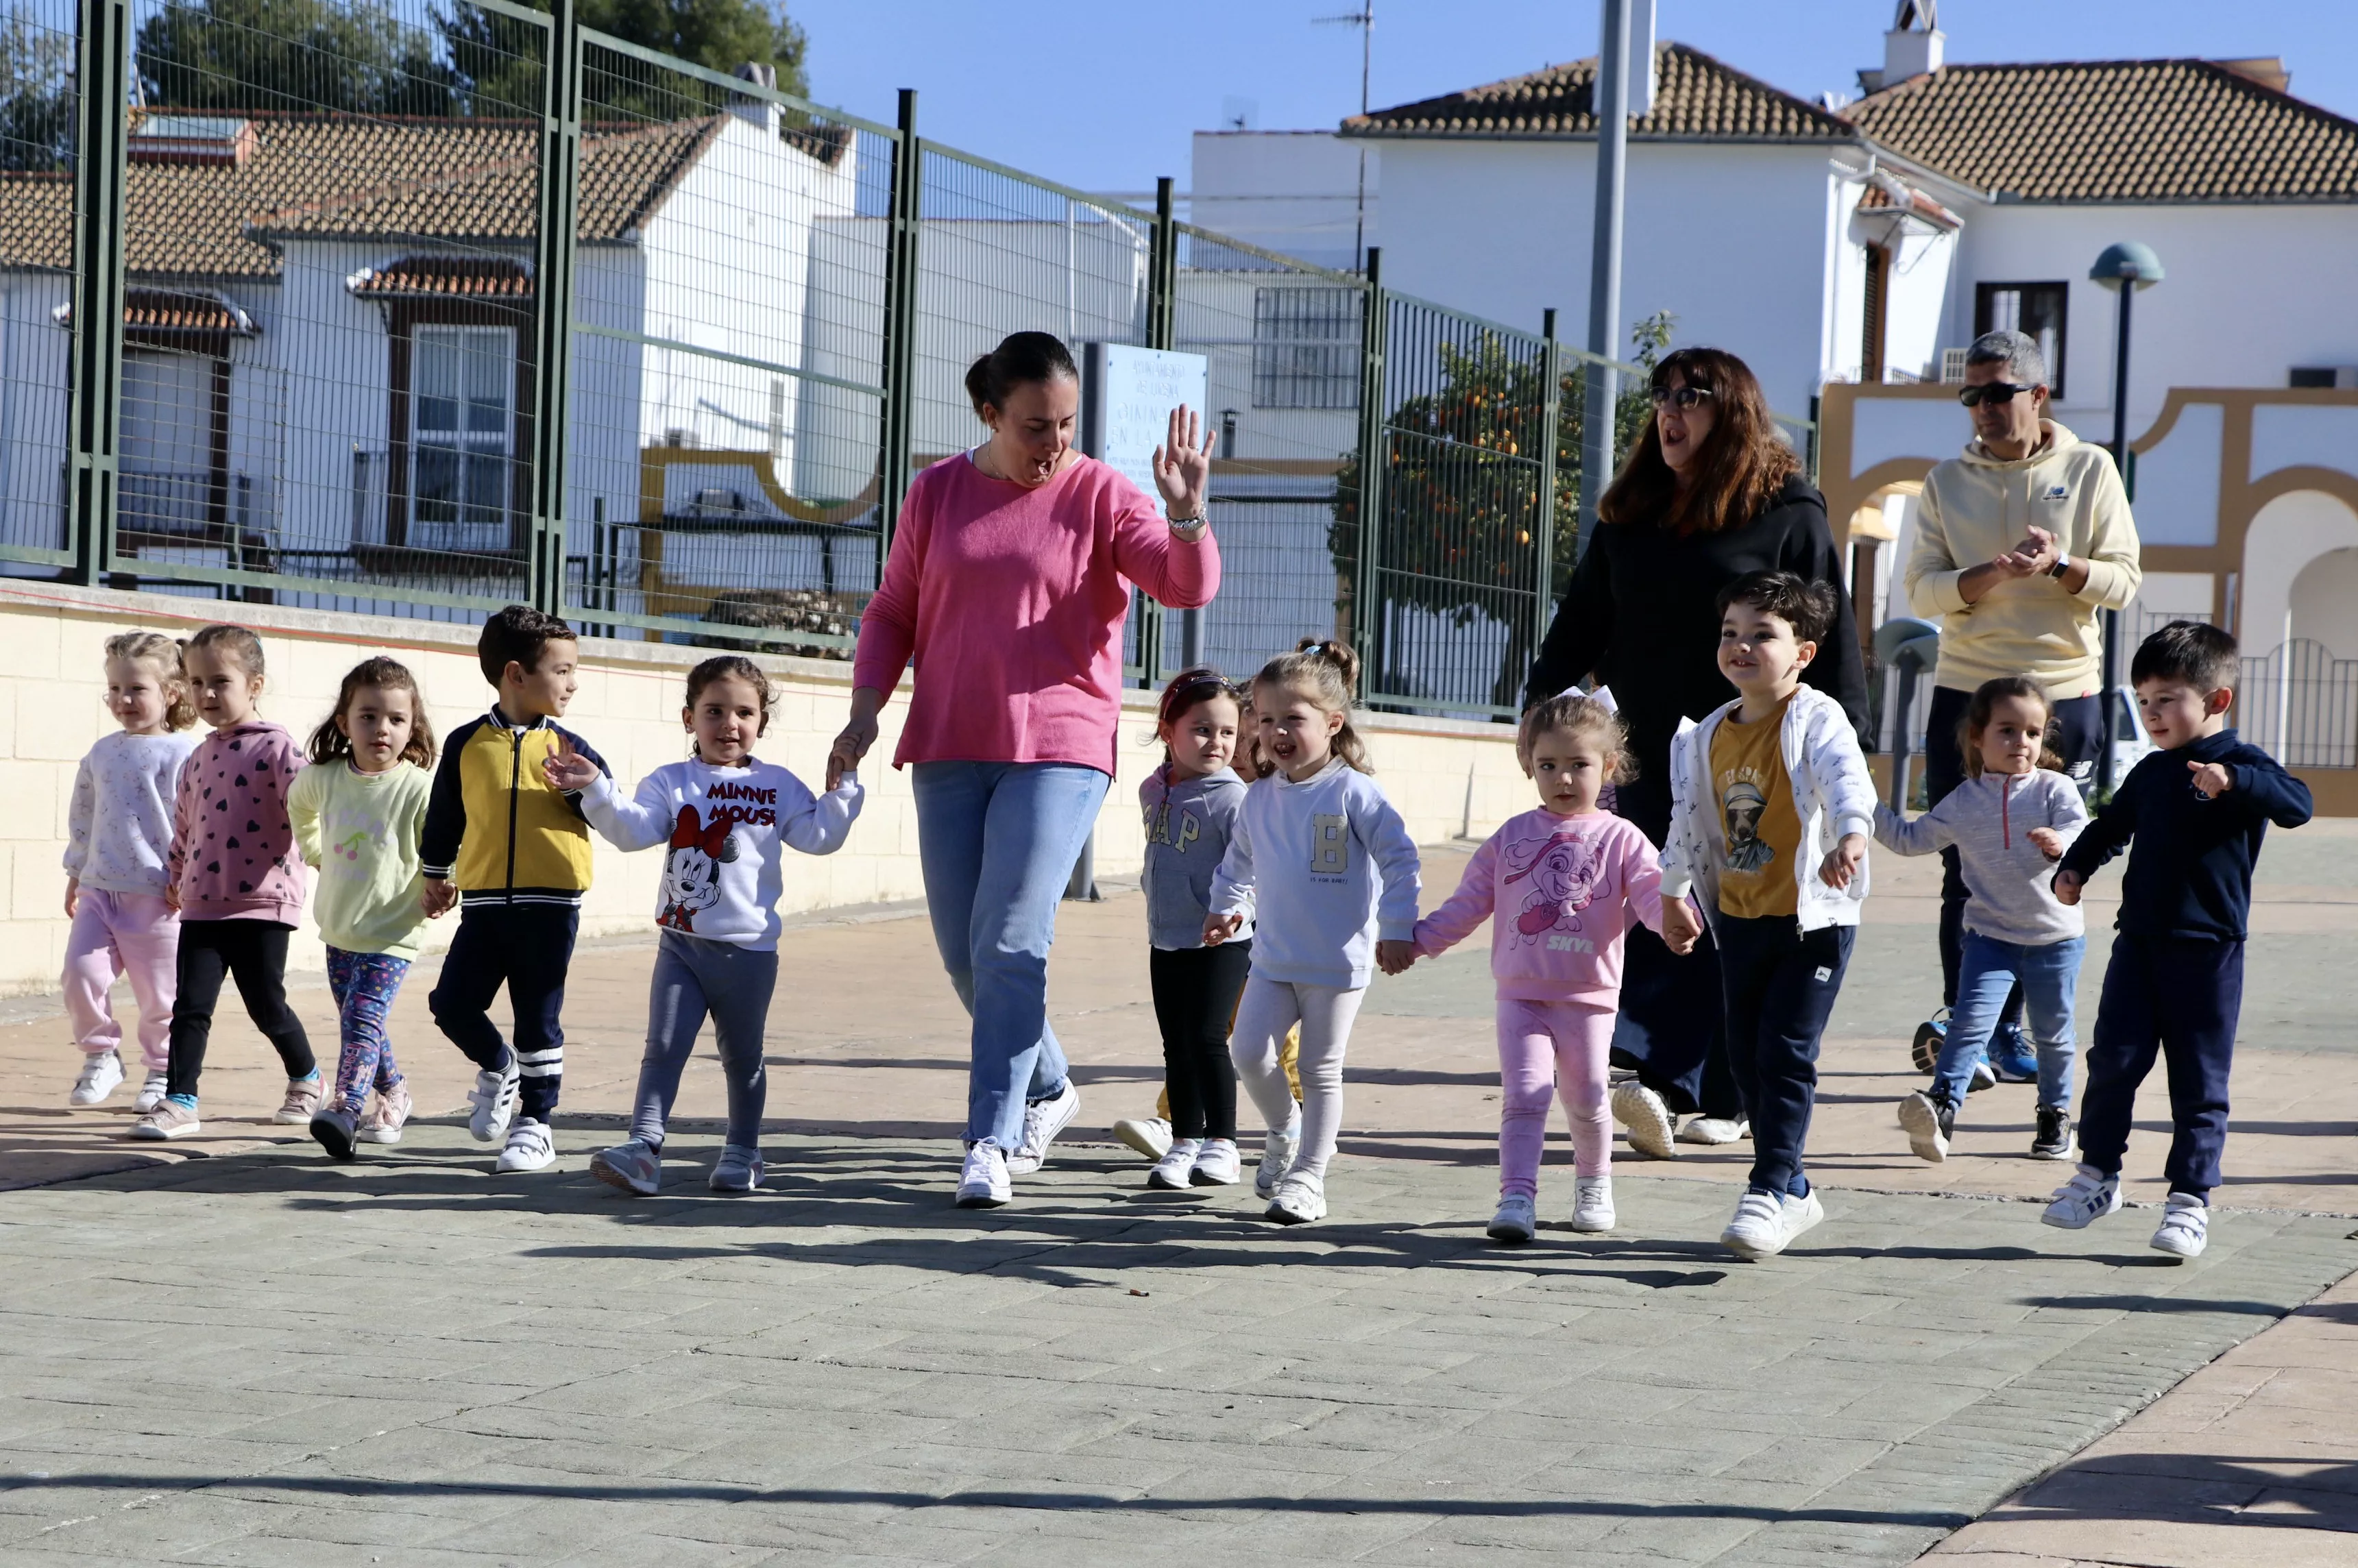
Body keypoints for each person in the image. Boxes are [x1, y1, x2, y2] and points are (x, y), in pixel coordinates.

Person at [829, 330, 1219, 1210]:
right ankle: (1047, 1085)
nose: (1055, 444)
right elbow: (893, 609)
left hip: (1060, 745)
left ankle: (988, 1141)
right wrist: (864, 710)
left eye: (1067, 424)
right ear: (989, 413)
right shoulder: (935, 492)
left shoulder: (1100, 493)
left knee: (1011, 939)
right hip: (949, 741)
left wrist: (1186, 513)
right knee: (967, 957)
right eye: (1037, 426)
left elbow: (1183, 585)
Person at [1524, 347, 1867, 1160]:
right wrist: (1541, 703)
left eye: (1693, 395)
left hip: (1757, 754)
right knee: (1656, 900)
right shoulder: (1631, 512)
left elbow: (1833, 633)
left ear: (1734, 410)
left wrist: (1841, 743)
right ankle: (1653, 1074)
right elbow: (1581, 617)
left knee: (1741, 913)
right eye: (1662, 396)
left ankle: (1725, 1090)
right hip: (1647, 749)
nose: (1670, 411)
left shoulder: (1786, 513)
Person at [1903, 328, 2142, 1081]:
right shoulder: (1944, 480)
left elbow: (2124, 580)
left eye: (1997, 392)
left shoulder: (2089, 467)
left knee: (2044, 859)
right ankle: (1965, 1023)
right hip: (1965, 690)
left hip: (2062, 692)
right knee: (1960, 862)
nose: (1980, 407)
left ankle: (2019, 1030)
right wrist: (1987, 573)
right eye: (1970, 394)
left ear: (2038, 395)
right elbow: (1920, 589)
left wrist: (2062, 564)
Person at [2043, 622, 2311, 1260]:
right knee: (2112, 1064)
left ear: (2217, 701)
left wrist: (2234, 784)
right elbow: (2111, 825)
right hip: (2137, 946)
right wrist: (2074, 869)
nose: (2153, 713)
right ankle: (2095, 1178)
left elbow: (2296, 803)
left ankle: (2189, 1201)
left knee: (2198, 1084)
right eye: (2143, 701)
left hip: (2210, 952)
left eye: (2167, 698)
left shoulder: (2245, 766)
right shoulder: (2151, 772)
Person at [560, 656, 863, 1197]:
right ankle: (644, 1150)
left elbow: (820, 838)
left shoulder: (778, 785)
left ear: (761, 723)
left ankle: (744, 1151)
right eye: (714, 711)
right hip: (682, 948)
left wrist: (843, 792)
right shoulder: (670, 783)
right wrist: (597, 790)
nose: (730, 724)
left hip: (749, 953)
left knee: (743, 1058)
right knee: (664, 1048)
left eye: (745, 712)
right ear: (688, 719)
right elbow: (634, 832)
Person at [1401, 694, 1692, 1245]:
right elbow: (1467, 904)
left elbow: (1654, 892)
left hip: (1589, 997)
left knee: (1585, 1096)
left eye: (1578, 765)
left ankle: (1593, 1183)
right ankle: (1517, 1195)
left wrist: (1674, 922)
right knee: (1527, 1093)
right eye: (1548, 766)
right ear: (1530, 766)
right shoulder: (1511, 838)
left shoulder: (1621, 837)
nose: (1563, 778)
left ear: (1607, 768)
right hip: (1521, 995)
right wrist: (1417, 944)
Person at [1660, 573, 1874, 1261]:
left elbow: (1846, 777)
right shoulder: (1706, 734)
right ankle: (1794, 1188)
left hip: (1811, 920)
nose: (1741, 646)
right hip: (1741, 916)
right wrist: (1671, 890)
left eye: (1762, 634)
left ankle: (1764, 1187)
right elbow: (1686, 817)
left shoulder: (1815, 717)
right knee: (1748, 1061)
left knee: (1784, 1051)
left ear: (1803, 653)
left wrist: (1849, 834)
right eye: (1730, 632)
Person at [1205, 639, 1420, 1225]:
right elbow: (1237, 865)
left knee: (1323, 1069)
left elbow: (1402, 861)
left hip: (1336, 963)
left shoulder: (1355, 792)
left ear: (1332, 722)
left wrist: (1398, 927)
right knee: (1248, 1054)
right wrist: (1226, 906)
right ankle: (1284, 1130)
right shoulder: (1258, 799)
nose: (1276, 732)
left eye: (1292, 719)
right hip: (1273, 960)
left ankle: (1309, 1177)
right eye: (1266, 719)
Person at [421, 606, 610, 1175]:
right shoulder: (464, 744)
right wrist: (435, 874)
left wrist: (589, 788)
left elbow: (612, 813)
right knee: (451, 1004)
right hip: (482, 907)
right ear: (516, 674)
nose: (573, 682)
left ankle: (537, 1124)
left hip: (551, 906)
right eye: (563, 670)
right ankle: (498, 1065)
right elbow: (445, 818)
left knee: (537, 1016)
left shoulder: (571, 747)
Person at [1874, 676, 2089, 1164]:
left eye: (2033, 733)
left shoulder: (2055, 789)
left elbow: (2082, 829)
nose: (2022, 743)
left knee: (2054, 1034)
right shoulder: (1964, 801)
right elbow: (1909, 839)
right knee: (1969, 1023)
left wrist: (2062, 842)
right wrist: (1860, 805)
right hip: (1990, 938)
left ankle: (2054, 1116)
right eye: (2008, 731)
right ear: (1978, 736)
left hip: (2055, 941)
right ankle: (1943, 1107)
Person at [130, 625, 320, 1140]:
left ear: (255, 684)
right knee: (190, 1006)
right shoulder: (199, 756)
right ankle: (180, 1101)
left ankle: (306, 1079)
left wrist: (327, 857)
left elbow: (309, 813)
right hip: (202, 905)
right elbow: (185, 827)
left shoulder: (280, 749)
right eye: (196, 682)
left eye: (220, 681)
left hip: (262, 903)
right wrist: (175, 875)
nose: (206, 694)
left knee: (267, 1006)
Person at [289, 657, 440, 1158]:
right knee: (362, 1024)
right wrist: (314, 852)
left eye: (397, 719)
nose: (382, 729)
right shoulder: (325, 778)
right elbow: (299, 807)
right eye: (369, 716)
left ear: (411, 726)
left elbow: (443, 846)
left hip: (395, 929)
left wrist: (445, 884)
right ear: (344, 723)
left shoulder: (417, 787)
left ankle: (346, 1108)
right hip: (339, 926)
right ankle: (394, 1091)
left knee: (360, 1017)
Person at [62, 630, 197, 1114]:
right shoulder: (101, 752)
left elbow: (196, 822)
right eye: (115, 689)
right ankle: (102, 1055)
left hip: (159, 897)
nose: (124, 700)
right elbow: (84, 815)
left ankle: (163, 1072)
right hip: (100, 890)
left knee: (162, 998)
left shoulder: (184, 753)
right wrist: (76, 871)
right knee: (79, 974)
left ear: (172, 693)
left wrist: (188, 878)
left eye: (137, 689)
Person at [1132, 668, 1254, 1190]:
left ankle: (1223, 1143)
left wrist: (1232, 912)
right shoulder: (1152, 790)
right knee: (1175, 1044)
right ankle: (1184, 1141)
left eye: (1227, 732)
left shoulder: (1234, 798)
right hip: (1167, 936)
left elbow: (1253, 866)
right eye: (1203, 729)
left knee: (1207, 1039)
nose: (1217, 742)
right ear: (1169, 731)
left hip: (1223, 940)